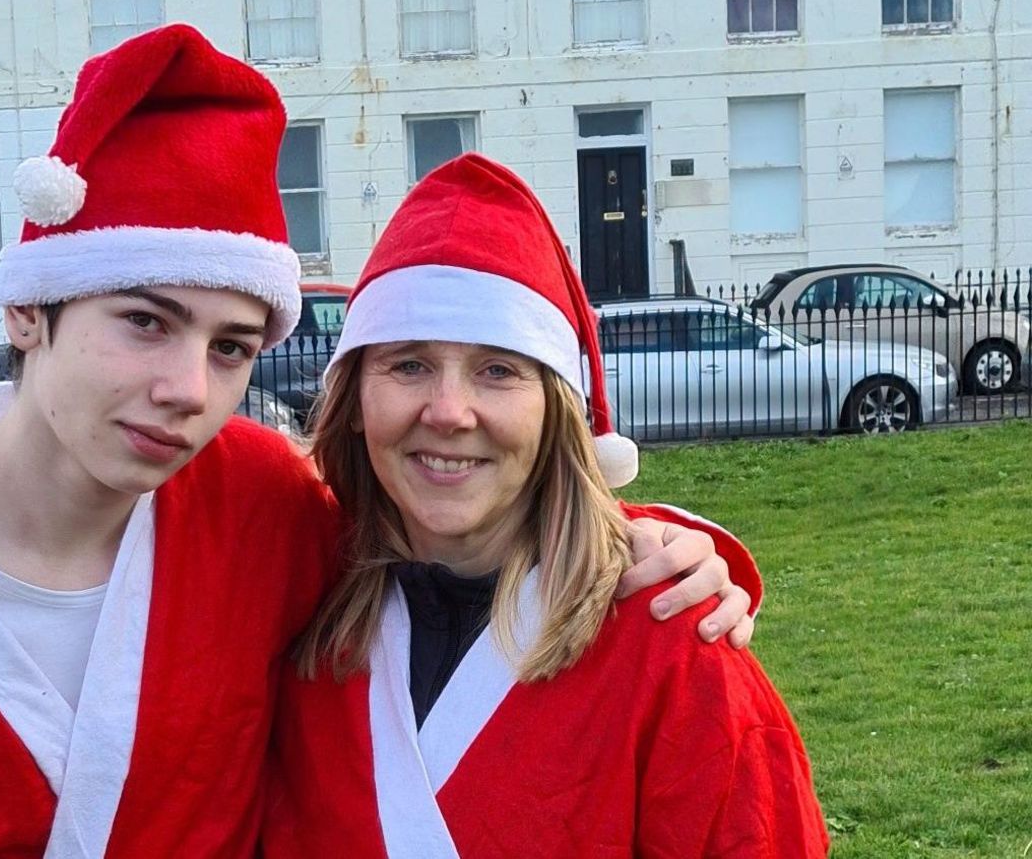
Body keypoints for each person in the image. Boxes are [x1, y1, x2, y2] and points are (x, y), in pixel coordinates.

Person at [0, 27, 761, 859]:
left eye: (233, 346)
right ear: (26, 310)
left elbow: (450, 529)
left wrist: (662, 543)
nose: (187, 389)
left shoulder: (255, 507)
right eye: (144, 320)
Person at [262, 153, 828, 858]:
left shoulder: (677, 645)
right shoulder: (298, 625)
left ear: (555, 411)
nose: (447, 411)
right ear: (354, 402)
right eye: (408, 363)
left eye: (497, 369)